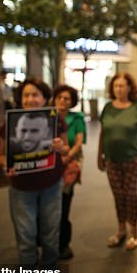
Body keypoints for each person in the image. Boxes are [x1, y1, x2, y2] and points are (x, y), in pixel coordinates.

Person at [0, 78, 69, 268]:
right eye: (26, 95)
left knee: (51, 231)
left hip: (51, 184)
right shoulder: (10, 122)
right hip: (21, 188)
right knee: (25, 234)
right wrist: (6, 165)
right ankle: (28, 268)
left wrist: (61, 148)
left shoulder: (56, 119)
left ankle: (49, 267)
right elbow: (1, 155)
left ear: (45, 98)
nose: (30, 99)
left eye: (35, 95)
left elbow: (66, 150)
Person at [97, 73, 137, 251]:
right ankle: (121, 230)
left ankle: (133, 232)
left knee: (130, 195)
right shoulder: (107, 108)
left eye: (122, 86)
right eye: (116, 86)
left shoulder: (136, 108)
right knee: (118, 195)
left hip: (132, 159)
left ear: (129, 87)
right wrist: (99, 156)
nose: (118, 89)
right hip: (112, 160)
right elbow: (103, 133)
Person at [52, 84, 86, 260]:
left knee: (64, 204)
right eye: (59, 98)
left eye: (67, 99)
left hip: (69, 164)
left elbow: (79, 142)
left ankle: (63, 244)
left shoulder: (77, 118)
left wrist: (67, 157)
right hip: (49, 166)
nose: (62, 101)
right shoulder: (48, 117)